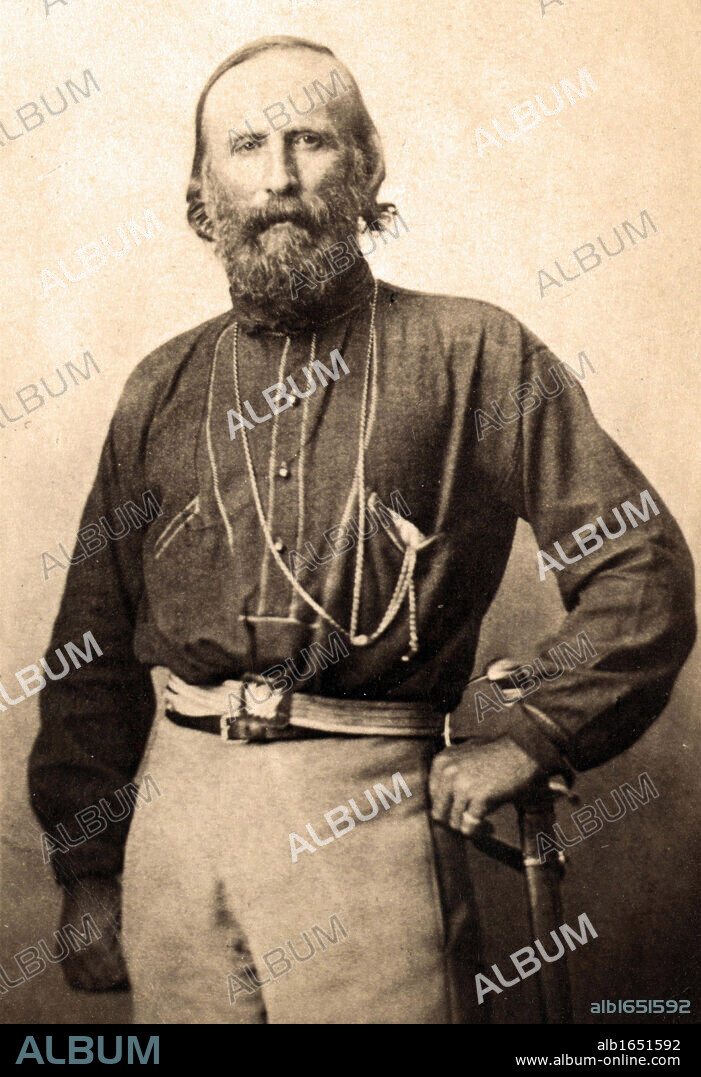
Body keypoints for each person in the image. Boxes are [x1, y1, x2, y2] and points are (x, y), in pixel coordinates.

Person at [28, 35, 695, 1024]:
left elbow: (639, 568)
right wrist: (87, 869)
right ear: (201, 188)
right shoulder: (158, 386)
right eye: (247, 146)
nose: (281, 177)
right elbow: (92, 644)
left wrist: (532, 731)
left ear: (368, 167)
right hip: (175, 826)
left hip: (369, 809)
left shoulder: (472, 351)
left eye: (313, 142)